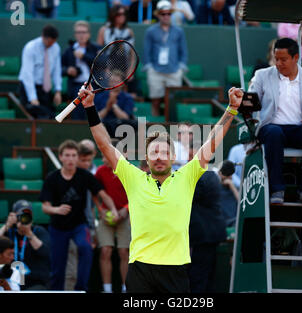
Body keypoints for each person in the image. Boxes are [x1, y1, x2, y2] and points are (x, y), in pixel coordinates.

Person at [77, 79, 242, 292]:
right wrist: (90, 107)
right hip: (140, 269)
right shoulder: (133, 177)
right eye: (154, 152)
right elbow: (104, 144)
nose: (159, 157)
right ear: (146, 157)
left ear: (173, 156)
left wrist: (232, 109)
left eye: (164, 152)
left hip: (176, 269)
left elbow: (212, 141)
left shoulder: (187, 176)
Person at [248, 37, 302, 208]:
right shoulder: (262, 75)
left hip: (300, 128)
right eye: (276, 59)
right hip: (271, 128)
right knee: (274, 133)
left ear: (296, 57)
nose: (278, 63)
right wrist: (245, 100)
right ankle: (277, 189)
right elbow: (251, 100)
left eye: (283, 59)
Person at [39, 139, 118, 291]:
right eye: (67, 155)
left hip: (79, 225)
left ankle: (81, 289)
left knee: (85, 247)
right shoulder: (52, 178)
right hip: (58, 227)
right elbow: (45, 207)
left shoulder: (85, 176)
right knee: (58, 267)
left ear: (77, 157)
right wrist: (57, 209)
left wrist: (113, 209)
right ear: (61, 157)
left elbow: (102, 194)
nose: (70, 159)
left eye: (74, 155)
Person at [187, 142, 227, 293]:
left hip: (206, 234)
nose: (190, 159)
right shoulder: (206, 175)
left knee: (199, 276)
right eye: (189, 156)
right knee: (205, 275)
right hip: (207, 234)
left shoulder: (203, 177)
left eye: (194, 156)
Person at [0, 200, 51, 290]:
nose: (24, 218)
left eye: (27, 216)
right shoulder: (9, 231)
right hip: (10, 280)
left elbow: (45, 252)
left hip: (34, 282)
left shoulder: (38, 231)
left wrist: (29, 233)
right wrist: (7, 225)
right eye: (21, 215)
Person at [143, 0, 188, 116]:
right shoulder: (150, 31)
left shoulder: (179, 31)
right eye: (163, 14)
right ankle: (154, 126)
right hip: (156, 71)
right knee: (155, 100)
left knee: (172, 101)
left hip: (173, 70)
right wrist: (150, 68)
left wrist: (180, 68)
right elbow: (146, 51)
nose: (166, 16)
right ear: (158, 15)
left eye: (169, 14)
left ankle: (170, 126)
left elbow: (183, 50)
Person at [65, 139, 99, 290]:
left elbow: (90, 208)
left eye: (88, 160)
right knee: (71, 271)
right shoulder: (65, 178)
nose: (86, 163)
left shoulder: (88, 179)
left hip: (85, 228)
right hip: (68, 229)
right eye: (83, 160)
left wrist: (92, 231)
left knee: (82, 272)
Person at [95, 147, 130, 293]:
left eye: (106, 156)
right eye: (102, 156)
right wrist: (100, 210)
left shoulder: (128, 170)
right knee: (105, 251)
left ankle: (125, 288)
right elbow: (95, 192)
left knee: (124, 252)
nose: (103, 159)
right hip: (106, 216)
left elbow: (137, 194)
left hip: (126, 216)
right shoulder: (100, 171)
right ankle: (107, 289)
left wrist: (126, 209)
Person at [18, 24, 62, 119]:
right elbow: (27, 74)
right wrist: (32, 97)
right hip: (28, 88)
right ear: (43, 37)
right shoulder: (30, 48)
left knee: (48, 116)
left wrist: (58, 90)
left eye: (53, 42)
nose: (51, 45)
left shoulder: (56, 48)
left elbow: (56, 71)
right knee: (30, 116)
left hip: (45, 89)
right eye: (49, 42)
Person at [62, 21, 101, 121]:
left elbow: (101, 64)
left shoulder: (95, 48)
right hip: (76, 87)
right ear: (75, 34)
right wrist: (68, 70)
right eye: (78, 32)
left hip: (93, 86)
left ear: (88, 34)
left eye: (83, 32)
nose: (81, 35)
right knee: (77, 114)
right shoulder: (69, 50)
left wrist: (83, 56)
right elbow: (60, 69)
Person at [93, 73, 137, 138]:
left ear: (123, 84)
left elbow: (125, 117)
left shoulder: (128, 98)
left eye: (117, 82)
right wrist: (107, 108)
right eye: (112, 81)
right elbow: (96, 118)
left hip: (122, 130)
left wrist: (113, 105)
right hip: (103, 128)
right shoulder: (100, 96)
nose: (114, 84)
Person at [216, 160, 239, 227]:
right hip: (221, 223)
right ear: (220, 173)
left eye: (231, 175)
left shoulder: (233, 186)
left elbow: (241, 204)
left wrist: (232, 187)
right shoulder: (214, 186)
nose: (230, 177)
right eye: (228, 175)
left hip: (234, 221)